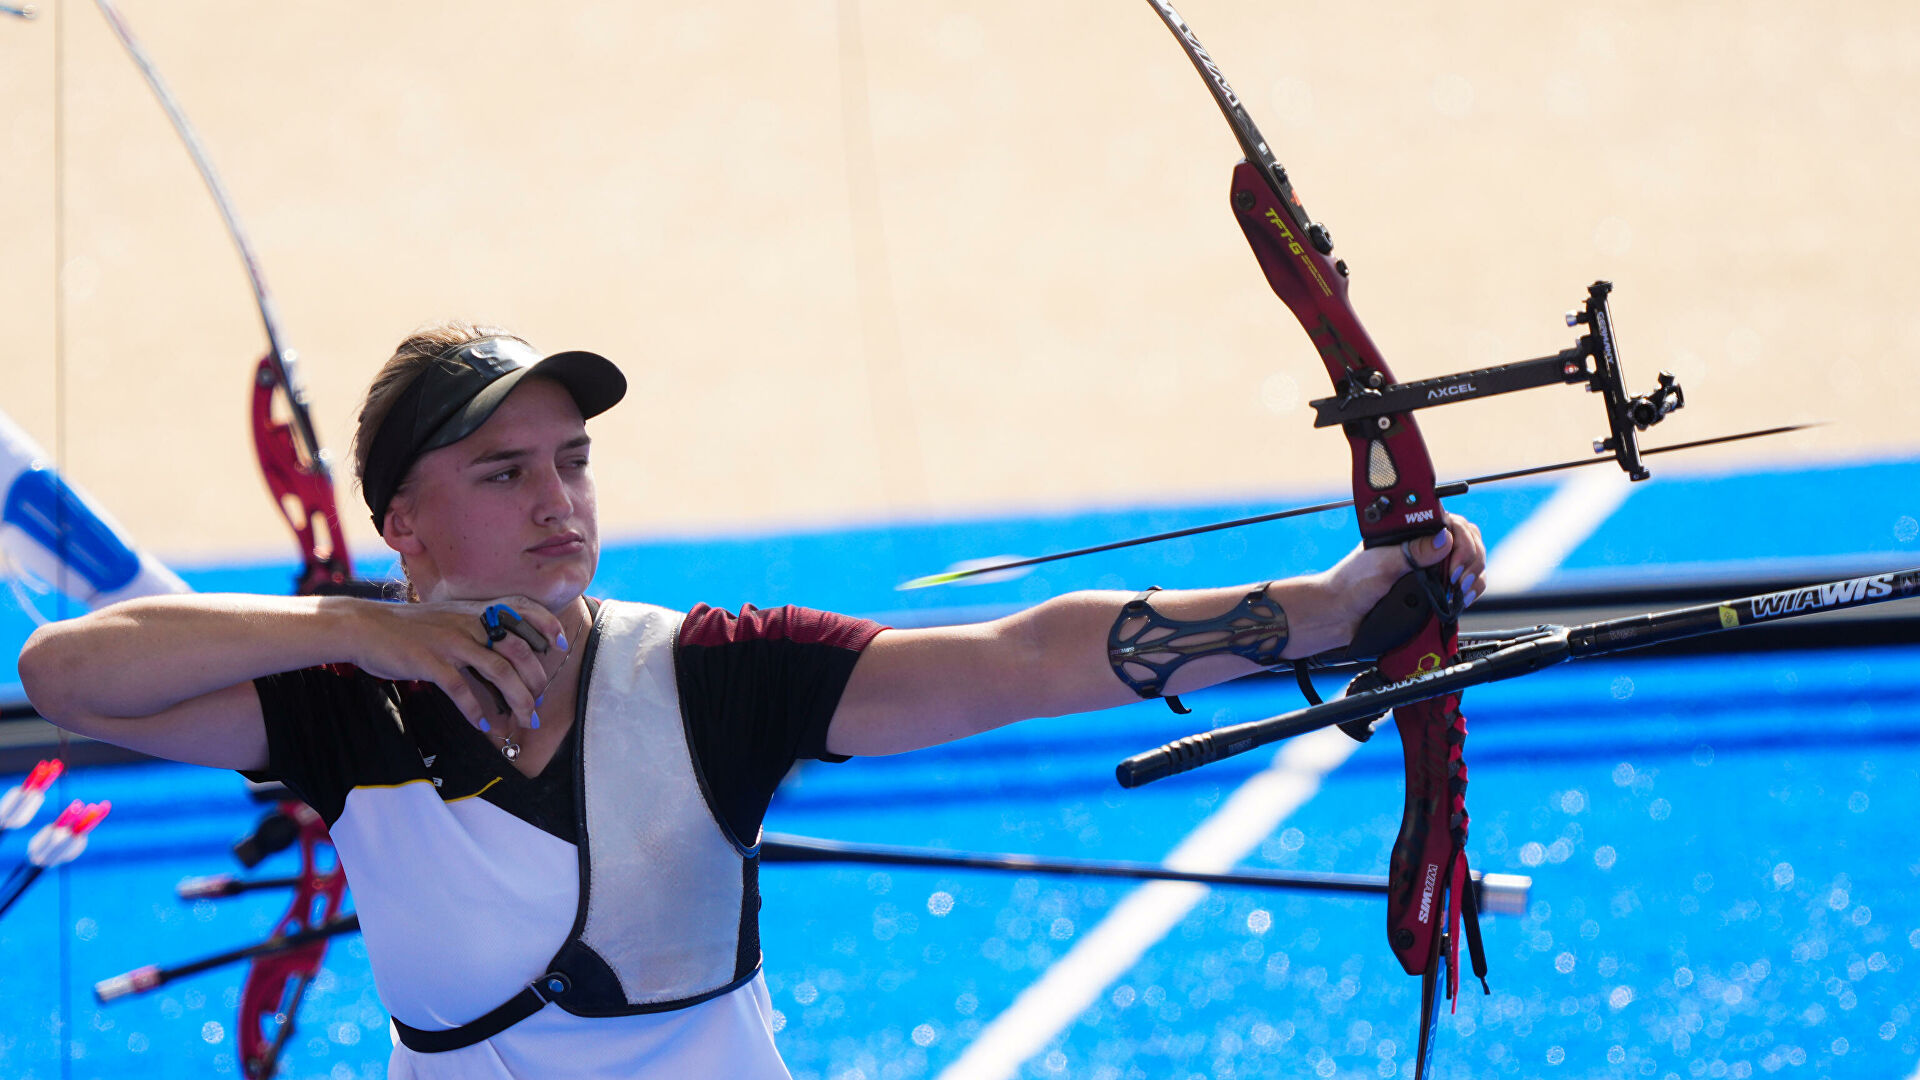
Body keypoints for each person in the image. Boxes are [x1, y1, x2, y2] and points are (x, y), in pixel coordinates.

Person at [18, 322, 1488, 1078]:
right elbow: (64, 672)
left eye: (573, 460)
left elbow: (1021, 657)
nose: (559, 500)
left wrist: (1319, 612)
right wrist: (365, 632)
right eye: (504, 471)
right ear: (404, 521)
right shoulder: (339, 707)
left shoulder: (710, 676)